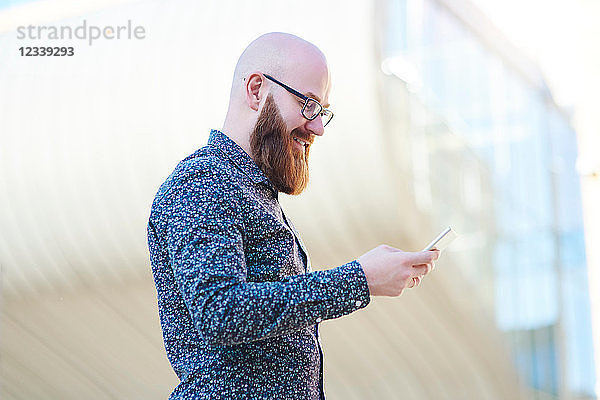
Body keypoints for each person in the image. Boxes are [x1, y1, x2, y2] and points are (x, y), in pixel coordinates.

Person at [147, 32, 439, 400]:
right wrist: (360, 279)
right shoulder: (204, 181)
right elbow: (221, 311)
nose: (317, 127)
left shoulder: (247, 189)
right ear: (256, 90)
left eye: (322, 112)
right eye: (308, 104)